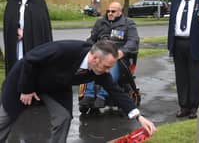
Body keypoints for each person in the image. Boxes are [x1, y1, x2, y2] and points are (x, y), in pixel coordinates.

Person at [0, 40, 156, 142]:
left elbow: (117, 92)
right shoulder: (64, 49)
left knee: (63, 117)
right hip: (25, 80)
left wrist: (139, 117)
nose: (108, 71)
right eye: (107, 66)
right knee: (5, 119)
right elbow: (30, 60)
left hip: (55, 87)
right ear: (95, 58)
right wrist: (26, 89)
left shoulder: (99, 70)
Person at [79, 1, 139, 108]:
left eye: (113, 11)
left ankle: (102, 95)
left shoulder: (128, 23)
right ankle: (89, 94)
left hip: (118, 56)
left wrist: (122, 52)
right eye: (108, 11)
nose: (110, 13)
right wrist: (90, 48)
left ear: (120, 12)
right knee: (92, 62)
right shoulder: (100, 22)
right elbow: (91, 39)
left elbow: (133, 41)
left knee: (112, 61)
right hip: (101, 52)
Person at [3, 0, 53, 75]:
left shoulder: (38, 1)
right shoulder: (12, 0)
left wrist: (25, 33)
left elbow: (41, 25)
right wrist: (16, 30)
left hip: (34, 42)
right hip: (17, 42)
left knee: (31, 66)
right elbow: (8, 21)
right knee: (17, 64)